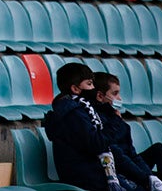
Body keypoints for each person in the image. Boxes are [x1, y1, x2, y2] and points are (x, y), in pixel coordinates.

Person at [92, 73, 162, 191]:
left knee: (159, 149)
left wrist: (150, 177)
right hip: (117, 168)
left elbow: (132, 154)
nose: (119, 98)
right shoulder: (97, 120)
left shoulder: (117, 118)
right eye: (115, 94)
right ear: (100, 96)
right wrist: (146, 178)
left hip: (130, 162)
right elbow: (117, 155)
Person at [43, 63, 123, 191]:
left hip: (92, 174)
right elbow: (96, 143)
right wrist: (114, 121)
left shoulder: (82, 109)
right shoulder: (74, 114)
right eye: (90, 84)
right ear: (75, 89)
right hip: (85, 179)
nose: (94, 88)